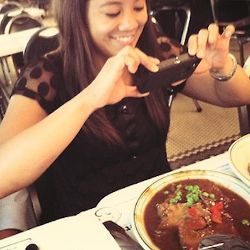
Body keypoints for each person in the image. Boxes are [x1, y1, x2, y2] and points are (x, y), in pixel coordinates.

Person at [0, 0, 250, 227]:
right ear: (77, 16)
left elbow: (241, 95)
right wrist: (90, 98)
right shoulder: (46, 75)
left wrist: (222, 64)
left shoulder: (157, 54)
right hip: (84, 226)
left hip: (161, 211)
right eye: (112, 12)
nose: (131, 22)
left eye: (138, 8)